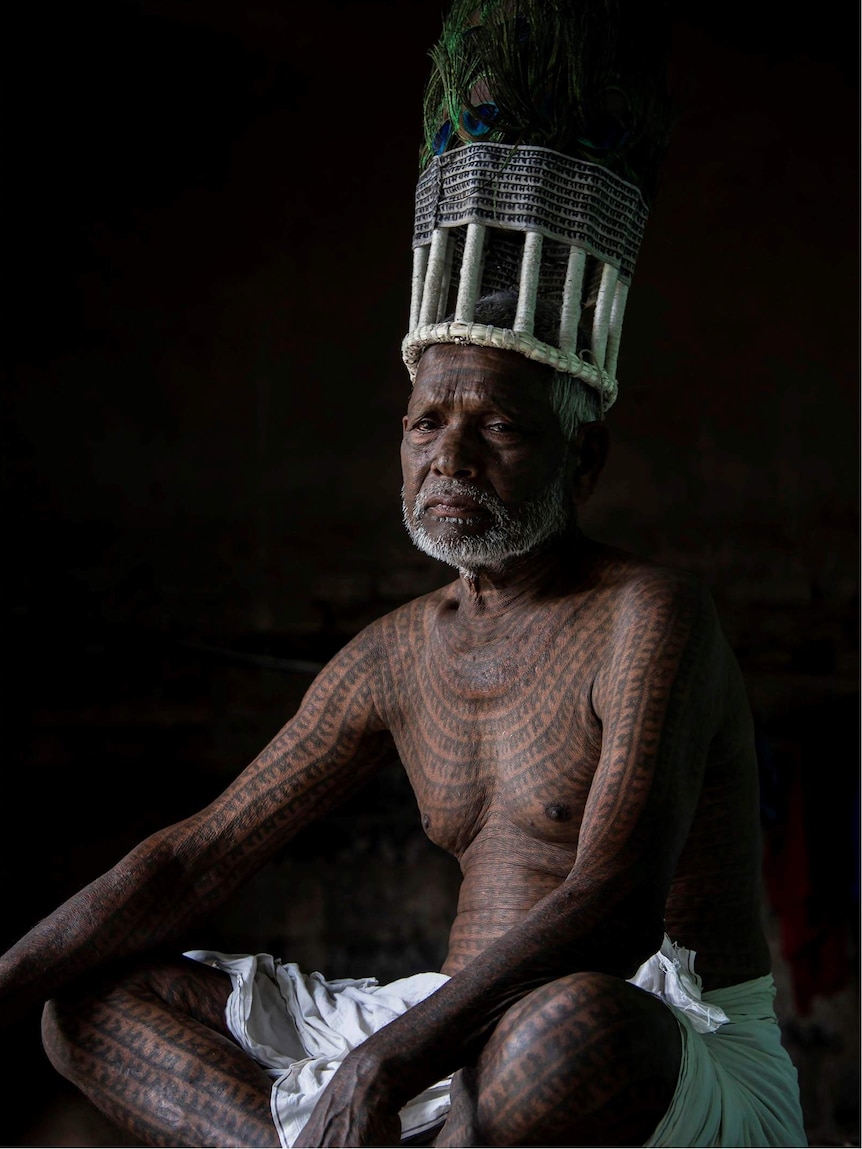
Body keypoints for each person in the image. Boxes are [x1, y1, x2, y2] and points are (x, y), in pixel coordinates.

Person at [1, 1, 808, 1145]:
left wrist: (381, 1067)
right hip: (448, 1037)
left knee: (562, 1033)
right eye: (427, 421)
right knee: (83, 1006)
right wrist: (4, 978)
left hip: (653, 1042)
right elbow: (195, 856)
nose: (450, 457)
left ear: (586, 457)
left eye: (501, 428)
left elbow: (613, 905)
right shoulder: (393, 653)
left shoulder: (649, 618)